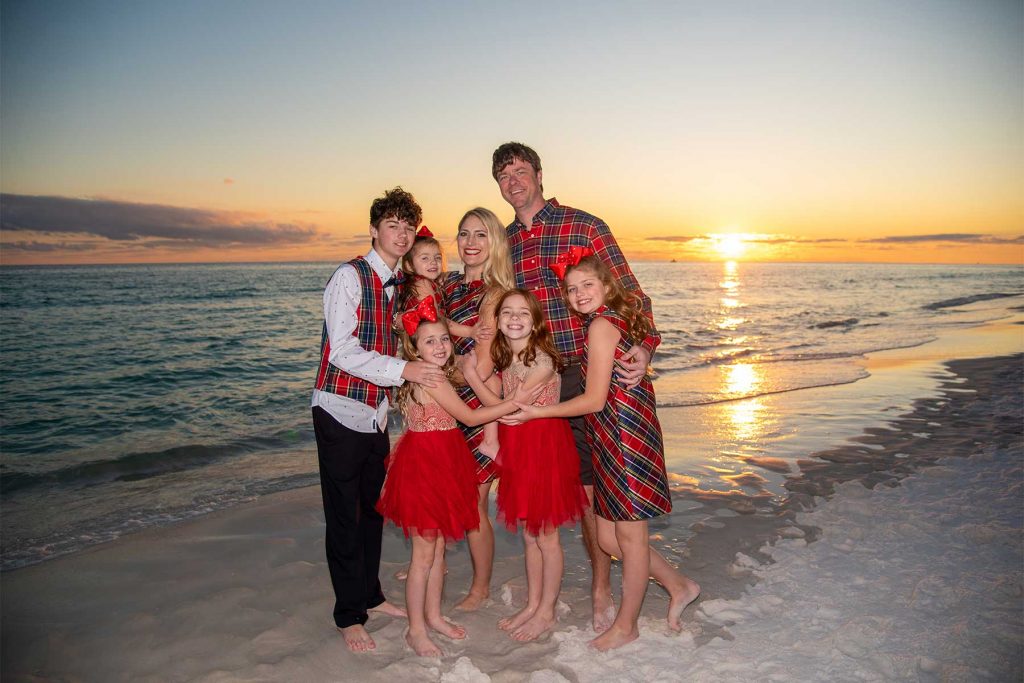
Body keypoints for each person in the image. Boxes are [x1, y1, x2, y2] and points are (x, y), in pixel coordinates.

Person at [491, 142, 660, 631]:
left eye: (521, 170)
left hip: (589, 375)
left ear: (540, 175)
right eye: (504, 175)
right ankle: (557, 592)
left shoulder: (584, 226)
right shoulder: (506, 242)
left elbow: (634, 297)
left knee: (595, 493)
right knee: (551, 493)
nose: (513, 181)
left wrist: (645, 348)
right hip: (536, 378)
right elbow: (496, 309)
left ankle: (602, 588)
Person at [508, 253, 701, 651]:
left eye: (587, 286)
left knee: (628, 538)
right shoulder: (606, 321)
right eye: (572, 288)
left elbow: (594, 399)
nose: (578, 294)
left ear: (607, 288)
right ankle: (679, 584)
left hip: (625, 435)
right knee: (612, 540)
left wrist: (538, 412)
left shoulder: (600, 325)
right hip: (612, 434)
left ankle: (626, 626)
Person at [310, 187, 446, 653]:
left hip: (374, 415)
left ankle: (369, 596)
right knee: (343, 516)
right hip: (339, 409)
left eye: (409, 226)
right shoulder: (349, 278)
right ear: (374, 230)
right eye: (393, 225)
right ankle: (348, 615)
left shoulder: (399, 284)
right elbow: (343, 351)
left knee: (372, 511)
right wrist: (405, 370)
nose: (403, 233)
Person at [377, 300, 542, 656]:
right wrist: (515, 400)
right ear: (414, 348)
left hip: (443, 460)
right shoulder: (431, 376)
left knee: (437, 549)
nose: (439, 346)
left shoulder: (430, 372)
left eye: (443, 339)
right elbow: (469, 417)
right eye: (429, 341)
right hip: (425, 466)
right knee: (423, 555)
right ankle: (415, 629)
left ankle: (434, 616)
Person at [462, 289, 588, 641]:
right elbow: (505, 407)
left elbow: (509, 409)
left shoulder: (543, 361)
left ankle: (546, 611)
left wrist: (473, 377)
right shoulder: (510, 358)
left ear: (535, 322)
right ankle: (533, 604)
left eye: (523, 313)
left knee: (546, 536)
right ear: (499, 321)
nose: (514, 318)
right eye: (507, 313)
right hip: (520, 446)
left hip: (544, 449)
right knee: (531, 536)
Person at [438, 207, 515, 611]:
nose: (470, 242)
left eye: (481, 234)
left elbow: (484, 363)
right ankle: (434, 561)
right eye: (464, 233)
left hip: (476, 402)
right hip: (442, 403)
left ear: (495, 242)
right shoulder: (445, 284)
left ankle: (480, 587)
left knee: (473, 501)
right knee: (441, 489)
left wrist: (435, 381)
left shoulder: (496, 292)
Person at [397, 226, 492, 343]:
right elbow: (438, 319)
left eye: (437, 257)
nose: (433, 262)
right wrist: (470, 331)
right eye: (425, 258)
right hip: (427, 343)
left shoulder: (422, 283)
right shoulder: (422, 284)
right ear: (409, 266)